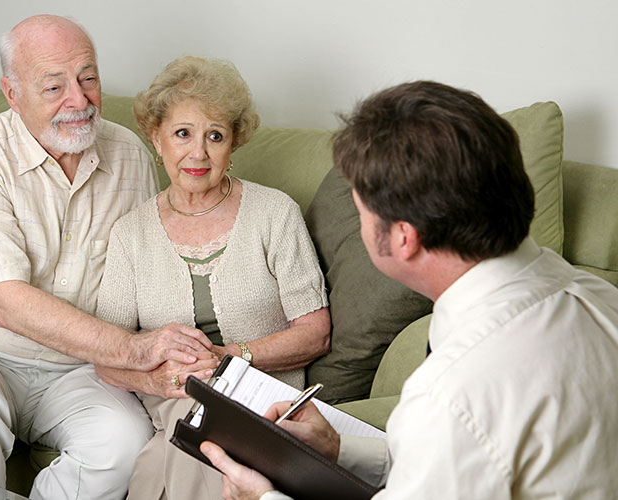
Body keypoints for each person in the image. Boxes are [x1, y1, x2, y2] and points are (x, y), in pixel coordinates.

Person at [200, 80, 618, 499]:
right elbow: (466, 462)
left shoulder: (452, 393)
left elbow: (462, 431)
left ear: (403, 237)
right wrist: (340, 449)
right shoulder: (598, 297)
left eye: (359, 210)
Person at [0, 15, 216, 500]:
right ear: (11, 92)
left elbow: (143, 277)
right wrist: (135, 350)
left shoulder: (128, 154)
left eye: (88, 78)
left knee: (123, 444)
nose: (79, 100)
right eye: (53, 87)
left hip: (78, 366)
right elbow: (6, 302)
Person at [94, 56, 331, 500]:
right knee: (199, 435)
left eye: (215, 136)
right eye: (183, 133)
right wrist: (163, 380)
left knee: (187, 450)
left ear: (233, 144)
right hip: (172, 399)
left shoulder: (275, 214)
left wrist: (229, 358)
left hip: (261, 397)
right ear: (156, 138)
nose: (198, 153)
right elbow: (108, 354)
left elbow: (315, 334)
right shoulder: (131, 233)